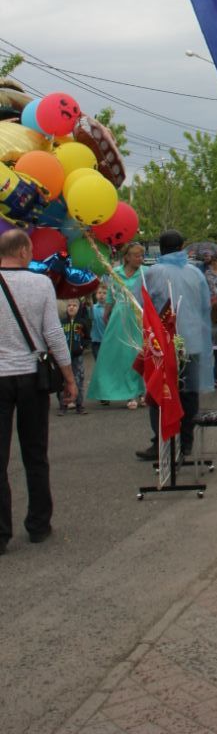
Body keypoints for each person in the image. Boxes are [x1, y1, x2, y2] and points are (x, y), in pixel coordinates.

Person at [0, 229, 75, 551]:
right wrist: (69, 376)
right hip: (32, 376)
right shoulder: (40, 283)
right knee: (35, 453)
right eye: (30, 249)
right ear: (21, 252)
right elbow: (53, 334)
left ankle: (1, 533)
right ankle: (38, 523)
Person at [137, 231, 214, 462]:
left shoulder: (151, 273)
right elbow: (204, 306)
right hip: (192, 341)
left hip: (163, 344)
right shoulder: (195, 273)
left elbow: (140, 306)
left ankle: (162, 441)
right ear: (182, 246)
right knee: (188, 392)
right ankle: (186, 441)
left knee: (160, 390)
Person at [88, 243, 146, 409]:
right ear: (127, 257)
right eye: (136, 256)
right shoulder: (116, 273)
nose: (140, 259)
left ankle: (138, 392)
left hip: (138, 317)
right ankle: (110, 390)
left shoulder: (145, 272)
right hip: (119, 317)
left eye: (142, 256)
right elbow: (110, 297)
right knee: (114, 356)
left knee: (137, 354)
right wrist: (106, 312)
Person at [58, 299, 88, 415]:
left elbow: (87, 338)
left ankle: (79, 405)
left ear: (78, 307)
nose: (71, 307)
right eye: (69, 305)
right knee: (63, 381)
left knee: (79, 380)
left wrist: (82, 346)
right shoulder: (62, 322)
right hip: (64, 356)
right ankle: (63, 406)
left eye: (74, 305)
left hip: (77, 356)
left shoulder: (82, 323)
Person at [88, 284, 108, 361]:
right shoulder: (94, 307)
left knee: (107, 362)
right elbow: (91, 316)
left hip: (107, 341)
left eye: (104, 293)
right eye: (99, 293)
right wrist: (89, 299)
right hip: (96, 342)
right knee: (98, 362)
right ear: (96, 295)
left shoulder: (110, 309)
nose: (101, 295)